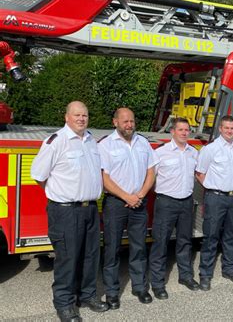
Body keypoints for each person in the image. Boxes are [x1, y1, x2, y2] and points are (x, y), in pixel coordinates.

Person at [31, 101, 108, 322]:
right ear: (67, 117)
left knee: (90, 256)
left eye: (85, 115)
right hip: (65, 211)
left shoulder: (91, 140)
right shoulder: (56, 141)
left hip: (90, 209)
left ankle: (88, 296)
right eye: (77, 115)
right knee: (67, 258)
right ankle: (64, 304)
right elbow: (38, 174)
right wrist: (59, 194)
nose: (82, 119)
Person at [97, 108, 156, 309]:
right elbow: (103, 177)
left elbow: (151, 170)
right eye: (125, 121)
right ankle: (112, 293)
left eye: (132, 121)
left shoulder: (143, 142)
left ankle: (140, 287)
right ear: (115, 122)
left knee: (139, 247)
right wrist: (126, 197)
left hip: (139, 202)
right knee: (112, 249)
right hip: (115, 204)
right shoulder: (105, 145)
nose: (129, 124)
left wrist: (140, 194)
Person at [149, 118, 200, 299]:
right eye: (181, 129)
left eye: (187, 130)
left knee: (185, 241)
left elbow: (199, 175)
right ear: (173, 131)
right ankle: (157, 283)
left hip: (186, 202)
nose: (184, 133)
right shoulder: (160, 153)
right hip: (166, 203)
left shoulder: (193, 153)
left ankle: (185, 276)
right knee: (160, 242)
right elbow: (149, 177)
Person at [196, 115, 233, 291]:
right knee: (211, 236)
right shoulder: (210, 149)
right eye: (226, 128)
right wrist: (212, 188)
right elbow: (200, 173)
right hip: (216, 198)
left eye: (232, 128)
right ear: (220, 129)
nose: (230, 131)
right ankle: (205, 274)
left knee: (232, 236)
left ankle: (229, 269)